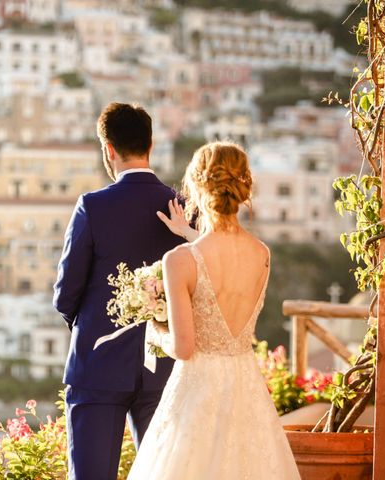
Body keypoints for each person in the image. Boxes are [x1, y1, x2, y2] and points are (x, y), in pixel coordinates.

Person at [127, 142, 301, 479]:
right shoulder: (262, 254)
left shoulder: (179, 261)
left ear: (194, 186)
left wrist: (155, 331)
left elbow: (183, 348)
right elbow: (220, 256)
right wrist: (188, 234)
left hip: (198, 390)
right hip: (245, 385)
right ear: (242, 186)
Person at [53, 102, 184, 480]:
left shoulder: (92, 207)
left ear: (109, 149)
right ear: (151, 145)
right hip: (164, 366)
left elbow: (66, 294)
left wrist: (92, 327)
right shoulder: (181, 208)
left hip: (99, 364)